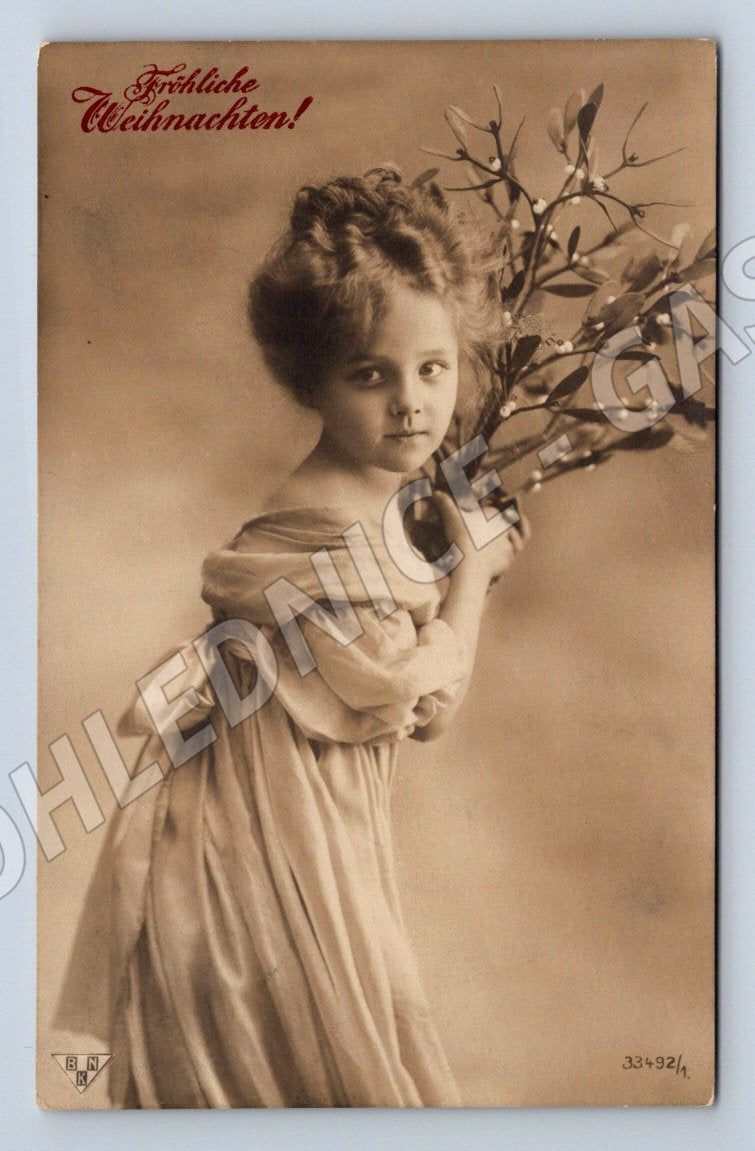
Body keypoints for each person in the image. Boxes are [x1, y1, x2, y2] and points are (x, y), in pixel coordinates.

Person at [55, 165, 529, 1108]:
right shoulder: (329, 529)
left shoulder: (363, 501)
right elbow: (423, 707)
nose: (409, 403)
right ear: (309, 379)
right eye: (370, 375)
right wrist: (473, 574)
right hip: (262, 844)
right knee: (322, 1055)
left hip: (269, 819)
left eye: (432, 369)